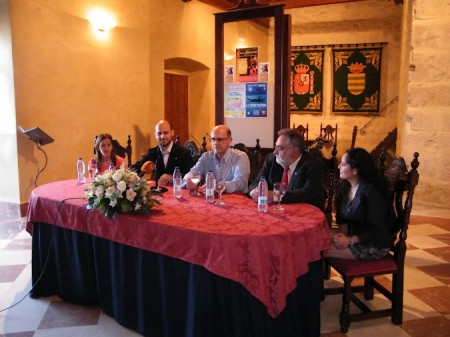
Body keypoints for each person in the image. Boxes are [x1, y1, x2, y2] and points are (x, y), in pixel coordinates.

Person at [324, 148, 393, 260]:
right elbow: (342, 218)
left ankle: (313, 277)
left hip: (372, 243)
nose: (339, 167)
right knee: (314, 237)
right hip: (352, 235)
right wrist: (343, 236)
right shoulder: (345, 187)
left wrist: (349, 240)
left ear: (355, 170)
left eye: (343, 164)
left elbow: (377, 229)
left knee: (316, 249)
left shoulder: (370, 192)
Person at [248, 128, 325, 210]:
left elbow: (308, 193)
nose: (275, 152)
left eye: (279, 148)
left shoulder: (313, 165)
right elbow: (256, 182)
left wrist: (275, 195)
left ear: (294, 151)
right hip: (275, 211)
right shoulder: (272, 159)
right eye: (275, 147)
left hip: (305, 213)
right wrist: (254, 192)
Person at [184, 125, 250, 193]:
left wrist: (219, 186)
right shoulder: (206, 157)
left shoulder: (240, 157)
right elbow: (193, 173)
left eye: (220, 139)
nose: (215, 143)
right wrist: (188, 179)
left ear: (230, 141)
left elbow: (240, 183)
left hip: (235, 200)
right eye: (213, 139)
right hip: (209, 199)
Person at [130, 120, 193, 185]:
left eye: (166, 133)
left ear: (172, 133)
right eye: (159, 133)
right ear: (155, 135)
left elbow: (192, 174)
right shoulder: (152, 153)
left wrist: (173, 177)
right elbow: (136, 167)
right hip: (158, 193)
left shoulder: (184, 153)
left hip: (178, 191)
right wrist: (127, 173)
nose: (162, 136)